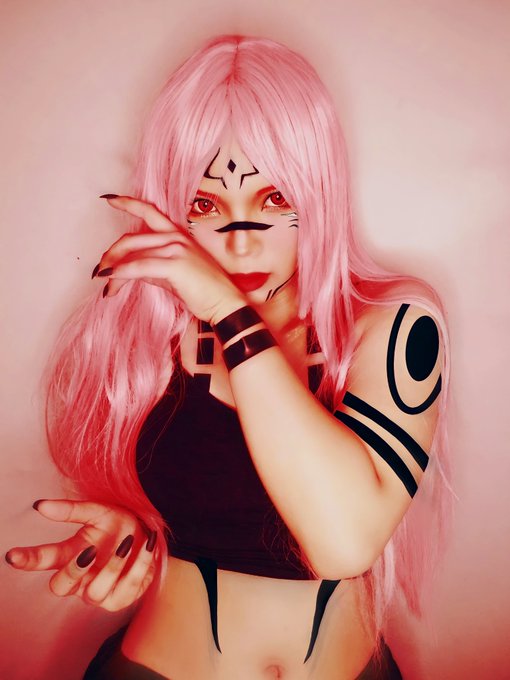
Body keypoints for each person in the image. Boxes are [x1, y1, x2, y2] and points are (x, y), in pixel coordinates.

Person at [5, 34, 452, 679]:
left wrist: (226, 308)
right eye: (206, 204)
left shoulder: (393, 324)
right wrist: (135, 542)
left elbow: (344, 542)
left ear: (320, 191)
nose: (241, 245)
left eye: (275, 199)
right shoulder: (142, 342)